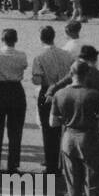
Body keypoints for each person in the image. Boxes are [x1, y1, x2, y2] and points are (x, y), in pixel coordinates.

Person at [50, 59, 99, 196]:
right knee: (93, 184)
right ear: (87, 74)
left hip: (69, 138)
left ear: (71, 73)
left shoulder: (59, 94)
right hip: (90, 138)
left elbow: (52, 122)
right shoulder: (94, 95)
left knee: (73, 185)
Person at [0, 28, 28, 171]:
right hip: (16, 90)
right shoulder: (21, 55)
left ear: (2, 39)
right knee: (15, 131)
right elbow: (24, 66)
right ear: (15, 40)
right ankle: (13, 164)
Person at [31, 25, 72, 177]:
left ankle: (51, 165)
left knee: (49, 131)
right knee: (66, 128)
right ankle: (65, 162)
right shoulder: (67, 55)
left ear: (40, 38)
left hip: (47, 91)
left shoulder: (39, 57)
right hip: (65, 90)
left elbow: (37, 80)